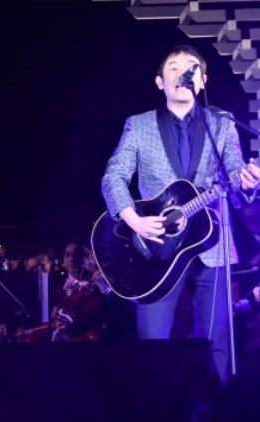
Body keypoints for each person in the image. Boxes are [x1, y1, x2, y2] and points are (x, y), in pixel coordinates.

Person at [101, 44, 260, 384]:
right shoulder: (139, 125)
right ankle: (157, 405)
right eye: (174, 67)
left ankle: (217, 404)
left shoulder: (223, 124)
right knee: (153, 340)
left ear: (202, 81)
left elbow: (236, 180)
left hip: (212, 245)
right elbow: (113, 176)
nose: (183, 73)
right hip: (156, 252)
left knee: (218, 340)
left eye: (191, 67)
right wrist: (134, 219)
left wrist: (249, 183)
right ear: (160, 82)